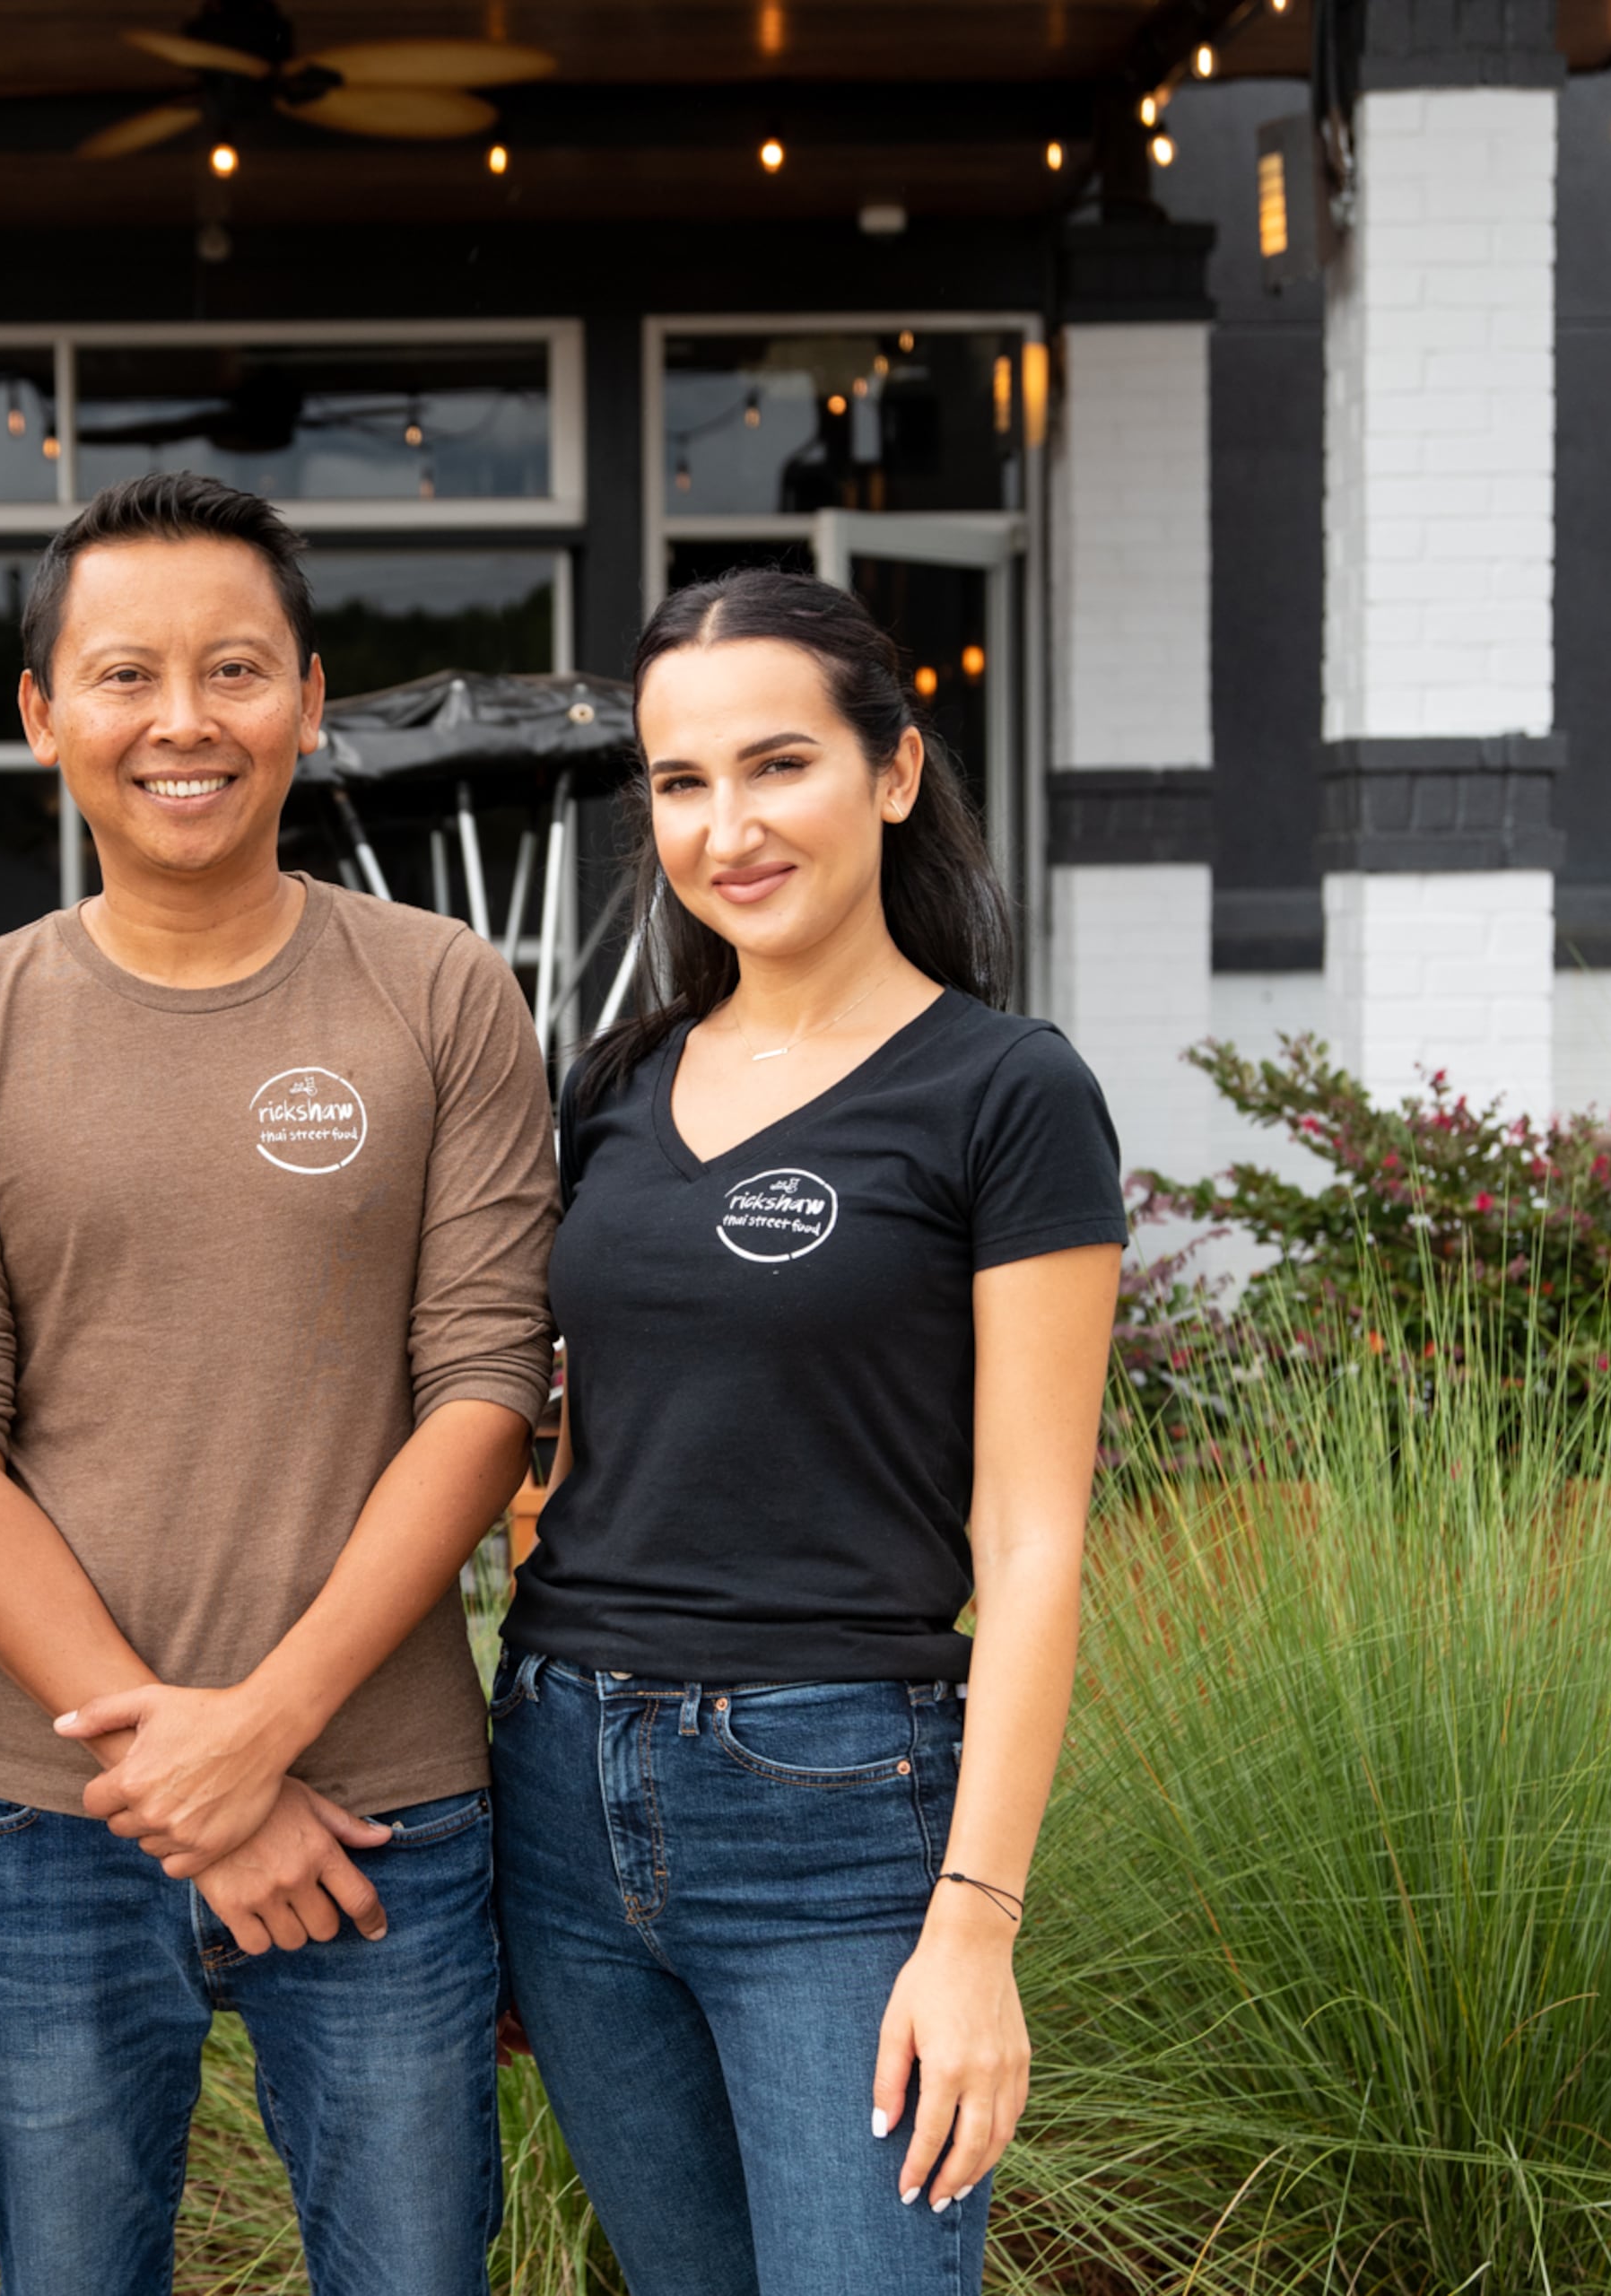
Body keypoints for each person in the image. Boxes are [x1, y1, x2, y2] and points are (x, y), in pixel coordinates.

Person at [0, 472, 557, 2296]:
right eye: (124, 675)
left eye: (235, 668)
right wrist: (195, 1774)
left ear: (310, 698)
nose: (183, 720)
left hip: (386, 1794)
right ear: (42, 716)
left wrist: (262, 1735)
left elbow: (481, 1393)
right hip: (43, 1815)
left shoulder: (442, 993)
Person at [494, 569, 1126, 2296]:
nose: (726, 827)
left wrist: (975, 1926)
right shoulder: (616, 1084)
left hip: (837, 1812)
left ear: (896, 772)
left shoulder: (1007, 1092)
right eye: (680, 783)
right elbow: (559, 1443)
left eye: (778, 767)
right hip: (561, 1778)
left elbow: (1035, 1539)